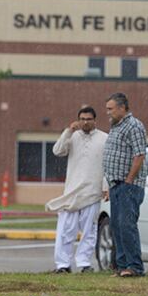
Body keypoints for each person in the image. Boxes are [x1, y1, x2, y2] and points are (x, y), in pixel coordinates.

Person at [46, 106, 108, 273]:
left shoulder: (104, 138)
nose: (85, 122)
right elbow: (57, 151)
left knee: (89, 231)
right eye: (83, 119)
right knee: (66, 231)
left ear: (95, 120)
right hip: (71, 193)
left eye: (89, 119)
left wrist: (105, 186)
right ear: (78, 120)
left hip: (92, 192)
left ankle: (84, 263)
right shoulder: (72, 136)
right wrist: (68, 131)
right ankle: (62, 265)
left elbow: (107, 166)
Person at [102, 93, 148, 277]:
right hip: (115, 185)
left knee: (127, 225)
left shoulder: (134, 126)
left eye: (110, 109)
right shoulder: (115, 126)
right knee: (117, 226)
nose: (108, 113)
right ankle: (122, 266)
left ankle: (135, 266)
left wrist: (129, 179)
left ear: (122, 108)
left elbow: (139, 155)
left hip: (129, 185)